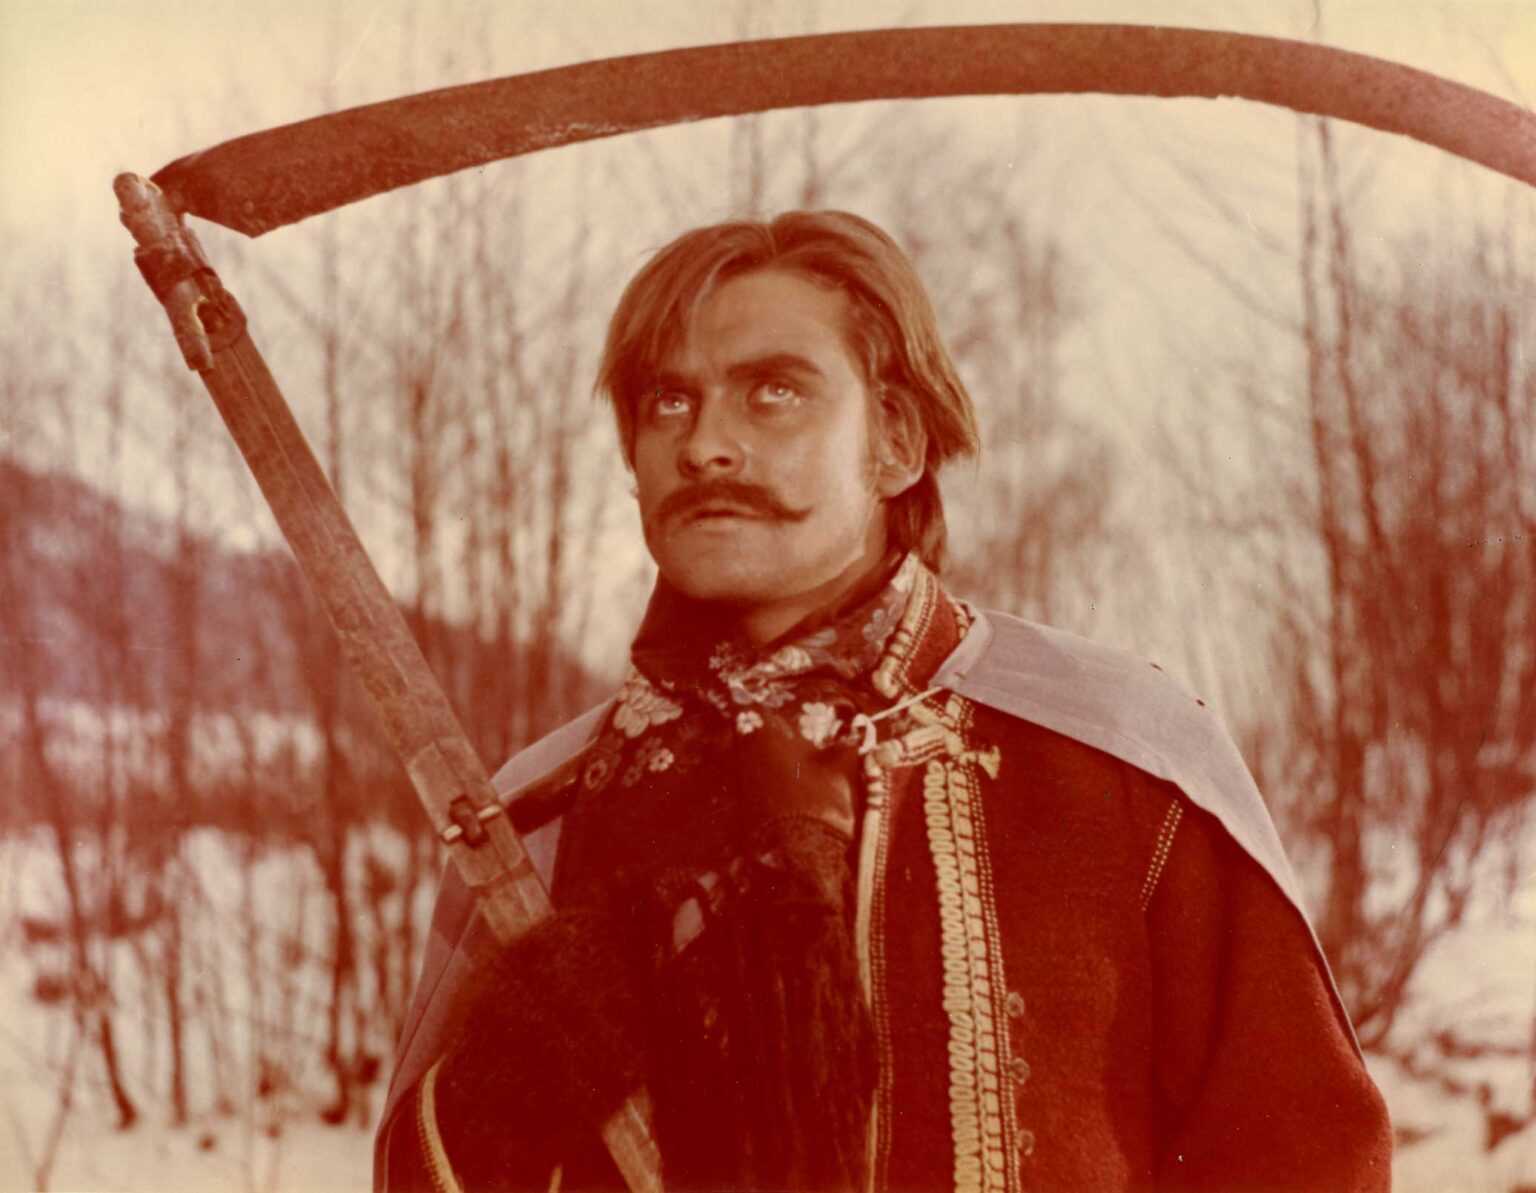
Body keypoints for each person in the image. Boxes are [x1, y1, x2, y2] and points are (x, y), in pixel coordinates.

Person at [374, 211, 1393, 1192]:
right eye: (667, 403)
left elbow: (1307, 1159)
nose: (704, 445)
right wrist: (495, 1100)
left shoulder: (1119, 760)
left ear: (896, 440)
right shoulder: (538, 823)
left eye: (773, 392)